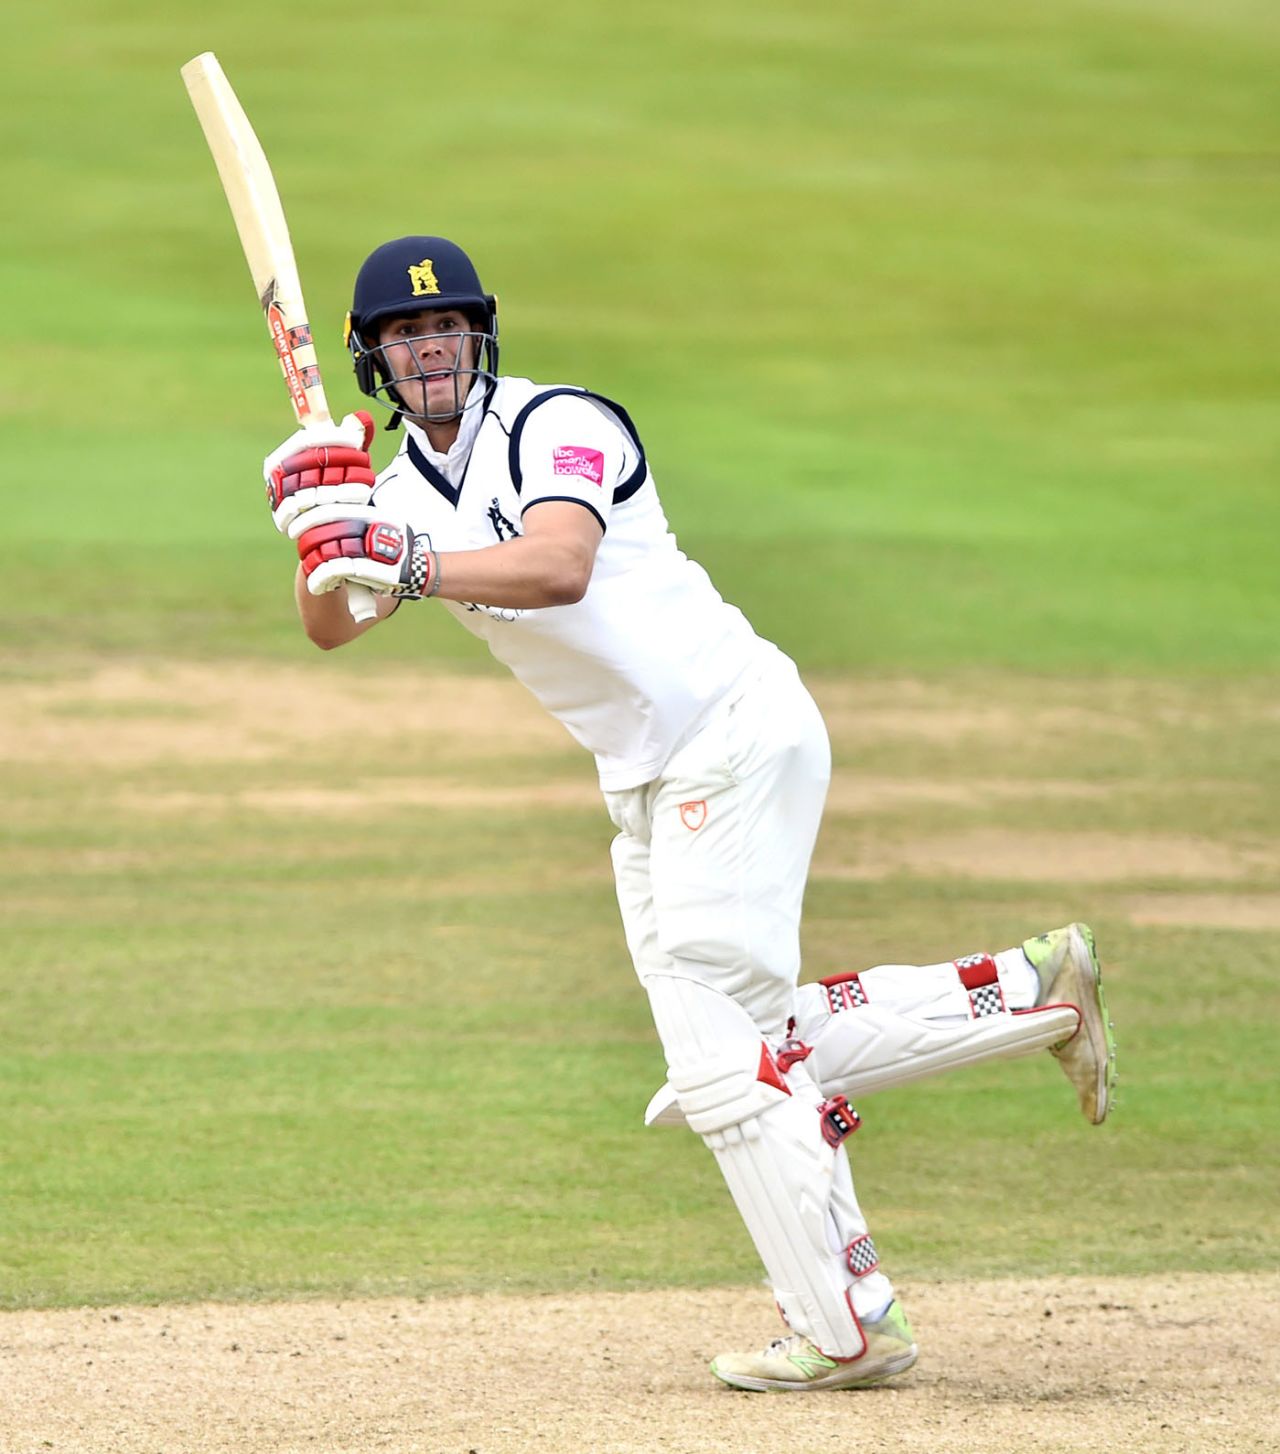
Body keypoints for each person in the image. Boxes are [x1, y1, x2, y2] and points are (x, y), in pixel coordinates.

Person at [261, 235, 1118, 1392]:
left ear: (482, 334)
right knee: (720, 1061)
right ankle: (1019, 990)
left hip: (731, 728)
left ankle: (848, 1325)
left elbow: (557, 564)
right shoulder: (400, 489)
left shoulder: (562, 422)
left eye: (449, 327)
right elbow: (332, 624)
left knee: (726, 1070)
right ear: (371, 358)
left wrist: (402, 556)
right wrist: (324, 525)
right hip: (642, 779)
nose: (433, 350)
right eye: (408, 335)